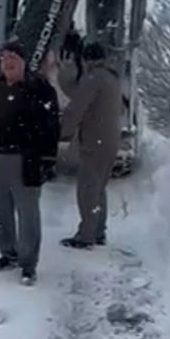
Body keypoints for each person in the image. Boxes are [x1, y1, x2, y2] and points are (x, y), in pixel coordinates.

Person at [0, 41, 60, 285]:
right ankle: (8, 254)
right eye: (4, 58)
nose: (8, 62)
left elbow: (51, 128)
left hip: (26, 160)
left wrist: (47, 160)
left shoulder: (40, 89)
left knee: (28, 215)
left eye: (14, 58)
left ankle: (28, 265)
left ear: (24, 62)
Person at [57, 41, 122, 248]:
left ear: (86, 60)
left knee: (87, 190)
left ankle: (86, 236)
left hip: (95, 141)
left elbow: (76, 107)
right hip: (110, 140)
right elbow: (81, 93)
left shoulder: (93, 78)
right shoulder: (110, 77)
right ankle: (98, 231)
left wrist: (61, 133)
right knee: (98, 188)